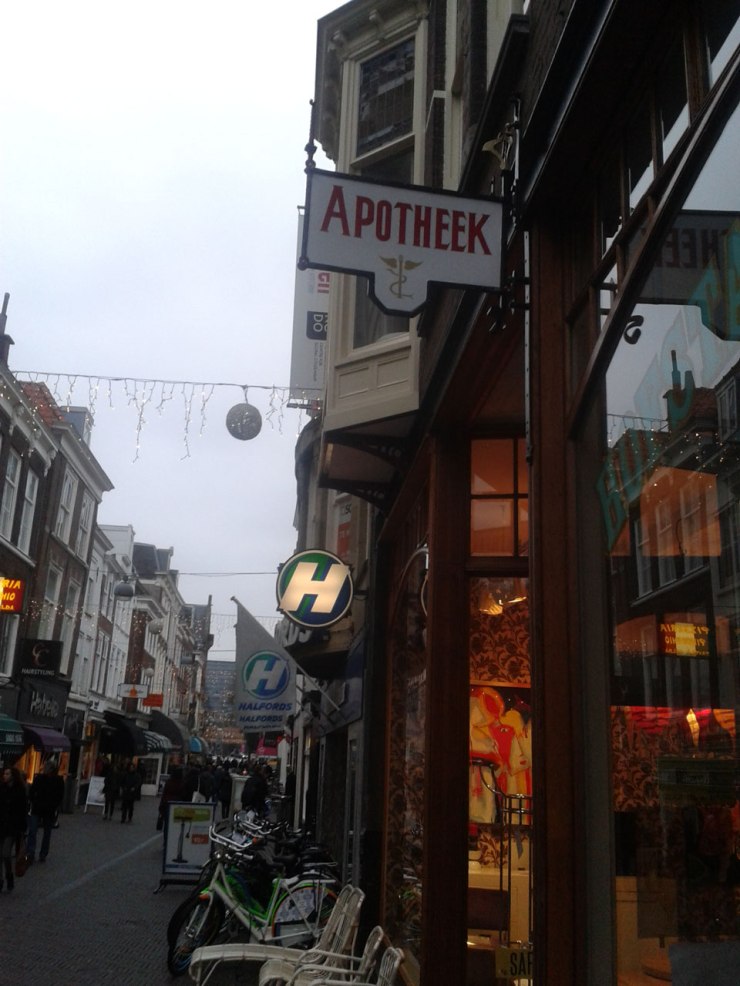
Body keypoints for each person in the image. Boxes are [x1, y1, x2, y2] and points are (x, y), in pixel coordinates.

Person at [27, 760, 64, 864]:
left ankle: (43, 854)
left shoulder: (58, 781)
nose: (44, 769)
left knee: (47, 833)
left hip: (49, 810)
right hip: (37, 809)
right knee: (33, 831)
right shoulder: (39, 778)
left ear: (51, 769)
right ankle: (30, 852)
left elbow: (60, 796)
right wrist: (33, 801)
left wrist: (54, 805)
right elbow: (32, 791)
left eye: (46, 767)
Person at [0, 766, 28, 892]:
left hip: (12, 827)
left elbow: (23, 811)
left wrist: (22, 828)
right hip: (1, 825)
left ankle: (9, 875)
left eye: (7, 774)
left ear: (13, 776)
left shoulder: (20, 791)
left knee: (6, 853)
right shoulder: (2, 789)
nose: (4, 776)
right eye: (4, 774)